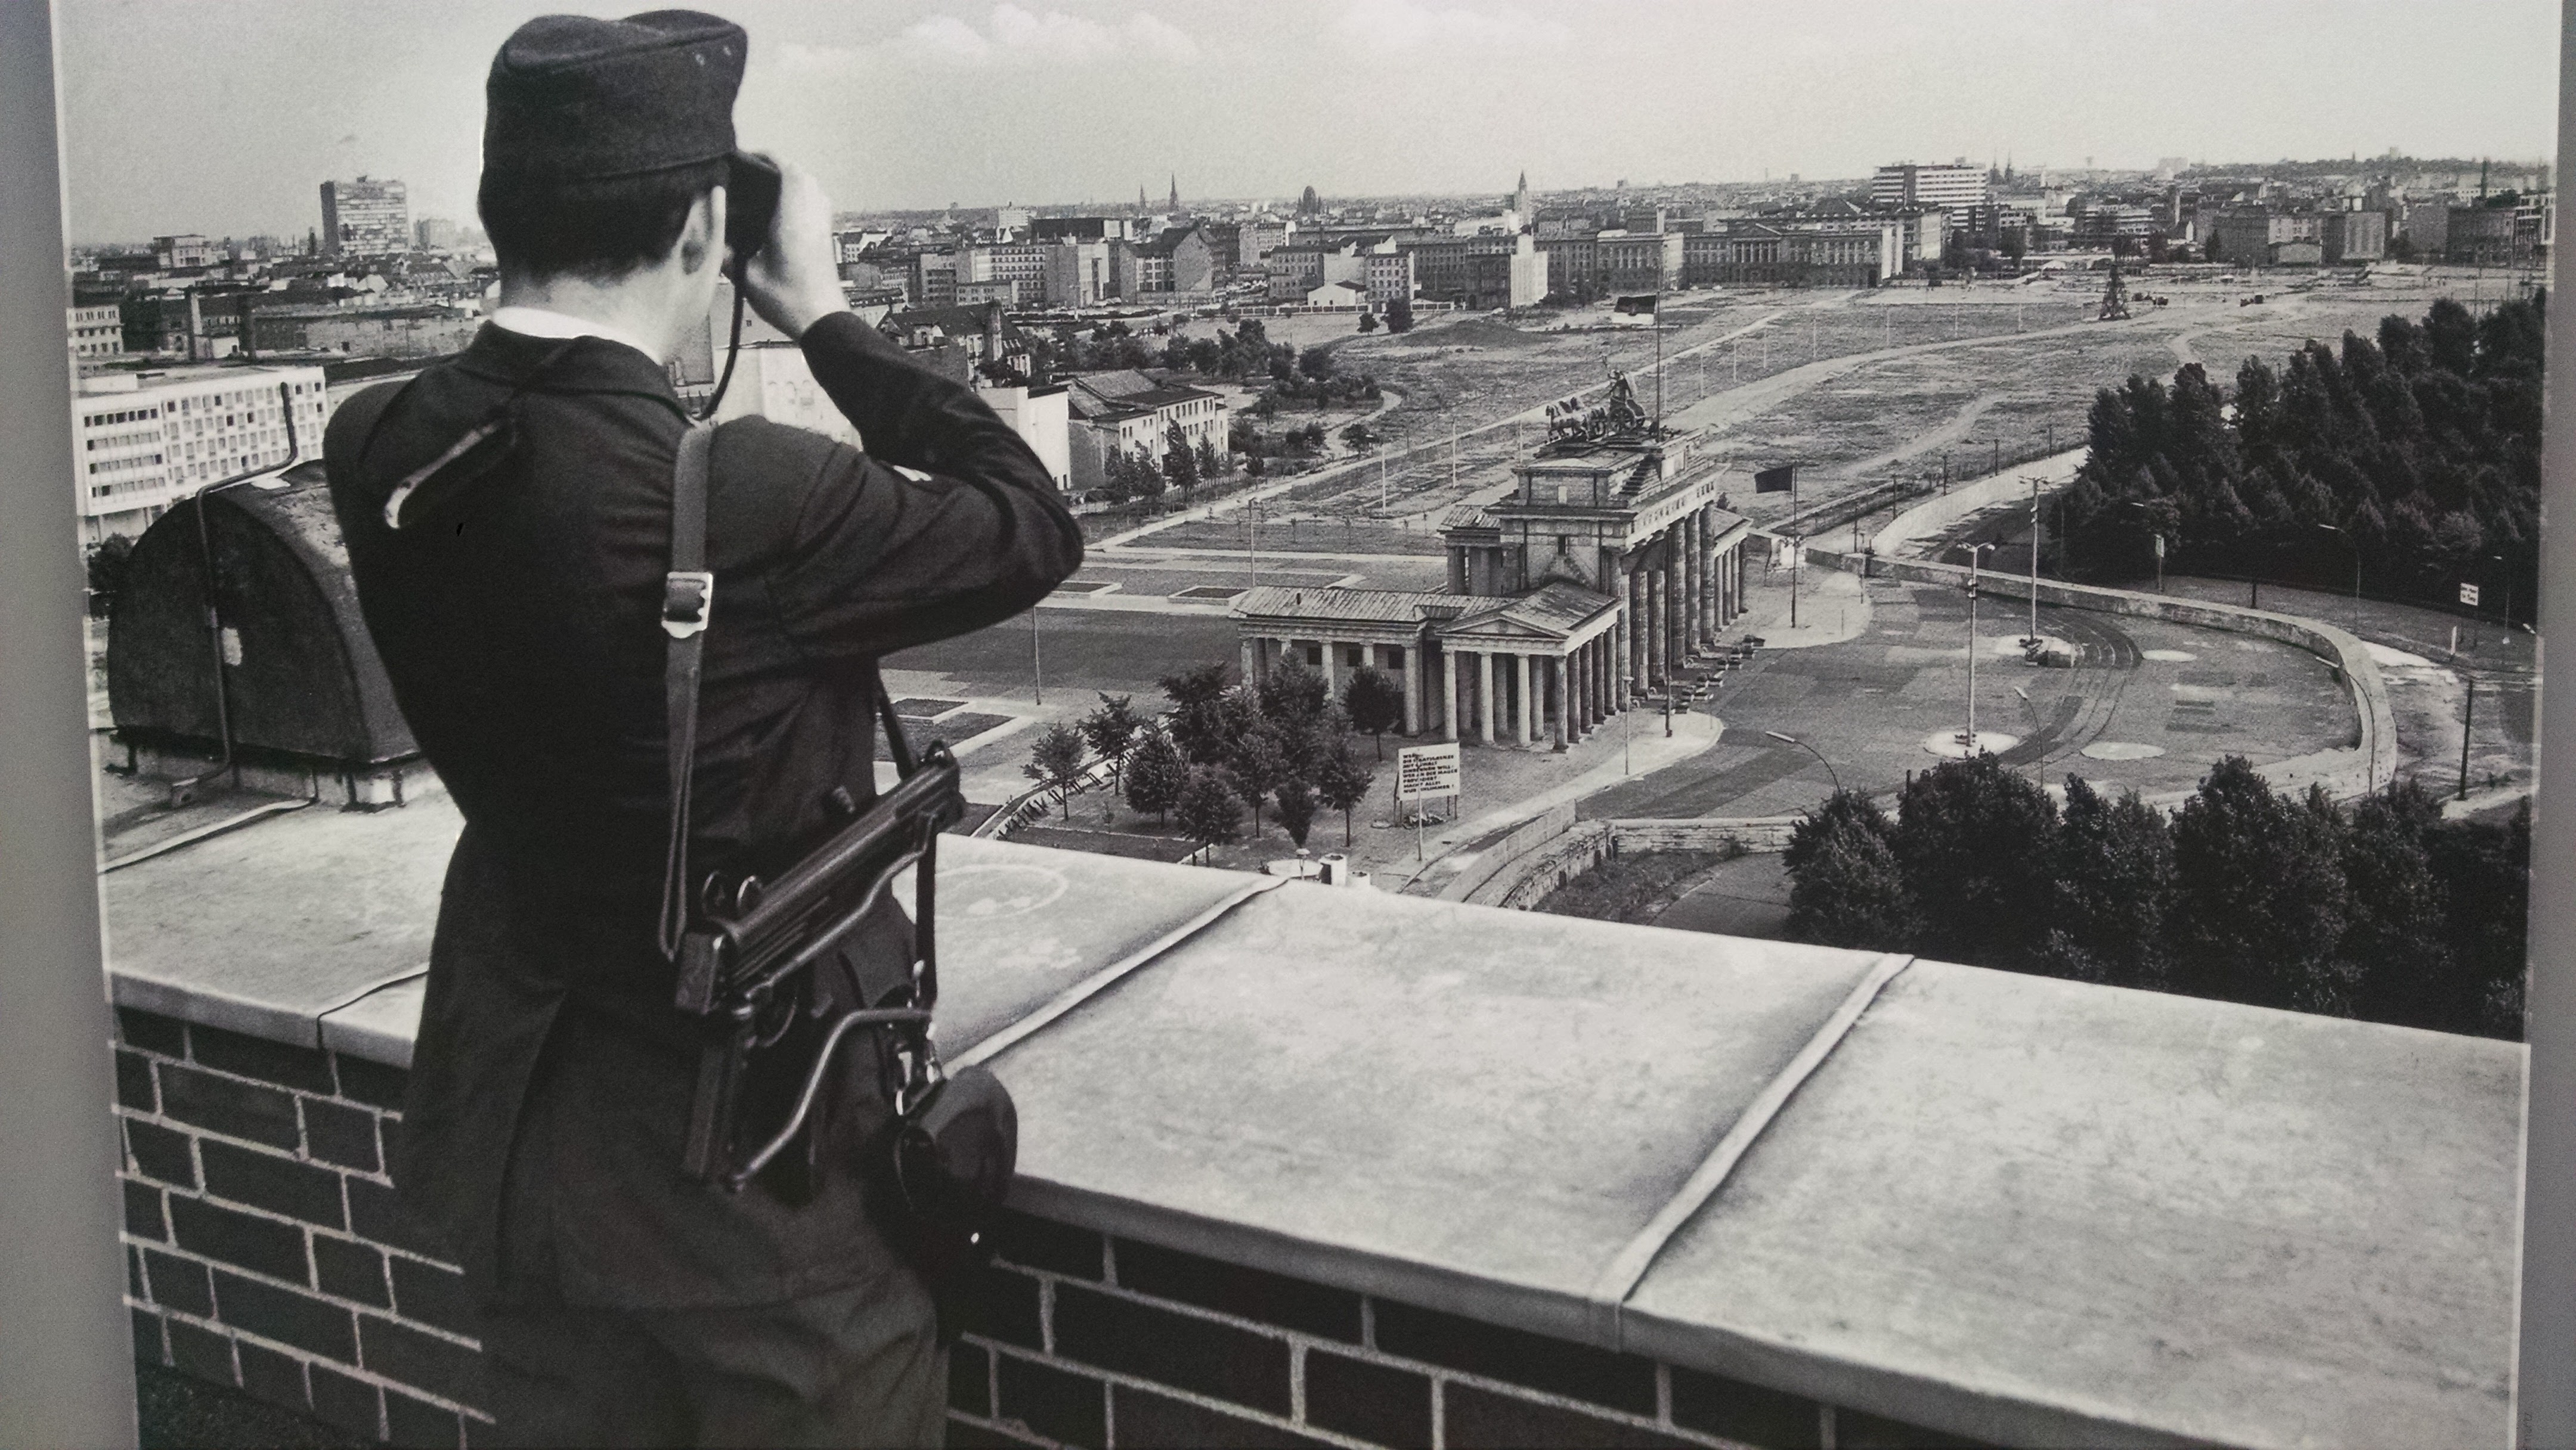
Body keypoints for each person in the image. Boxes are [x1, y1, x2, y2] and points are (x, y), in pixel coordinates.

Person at [321, 11, 1082, 1445]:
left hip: (522, 1163)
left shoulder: (378, 445)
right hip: (753, 1194)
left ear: (504, 211)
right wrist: (829, 316)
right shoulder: (735, 498)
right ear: (701, 227)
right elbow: (1033, 523)